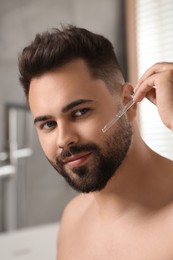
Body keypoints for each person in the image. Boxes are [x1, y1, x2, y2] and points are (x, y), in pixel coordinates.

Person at [18, 25, 173, 260]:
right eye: (48, 124)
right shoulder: (73, 219)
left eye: (80, 113)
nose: (63, 139)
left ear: (127, 103)